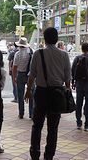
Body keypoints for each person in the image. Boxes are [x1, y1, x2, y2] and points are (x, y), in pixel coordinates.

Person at [25, 27, 71, 160]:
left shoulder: (38, 54)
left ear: (44, 39)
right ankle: (49, 155)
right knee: (53, 128)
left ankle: (35, 153)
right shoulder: (64, 55)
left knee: (37, 125)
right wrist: (67, 93)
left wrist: (28, 91)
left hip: (41, 92)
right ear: (57, 39)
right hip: (57, 94)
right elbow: (67, 78)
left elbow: (32, 74)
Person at [12, 37, 33, 119]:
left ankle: (21, 113)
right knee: (31, 93)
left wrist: (14, 77)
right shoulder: (30, 53)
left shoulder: (17, 54)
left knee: (20, 95)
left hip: (20, 74)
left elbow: (14, 67)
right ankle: (31, 113)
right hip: (29, 75)